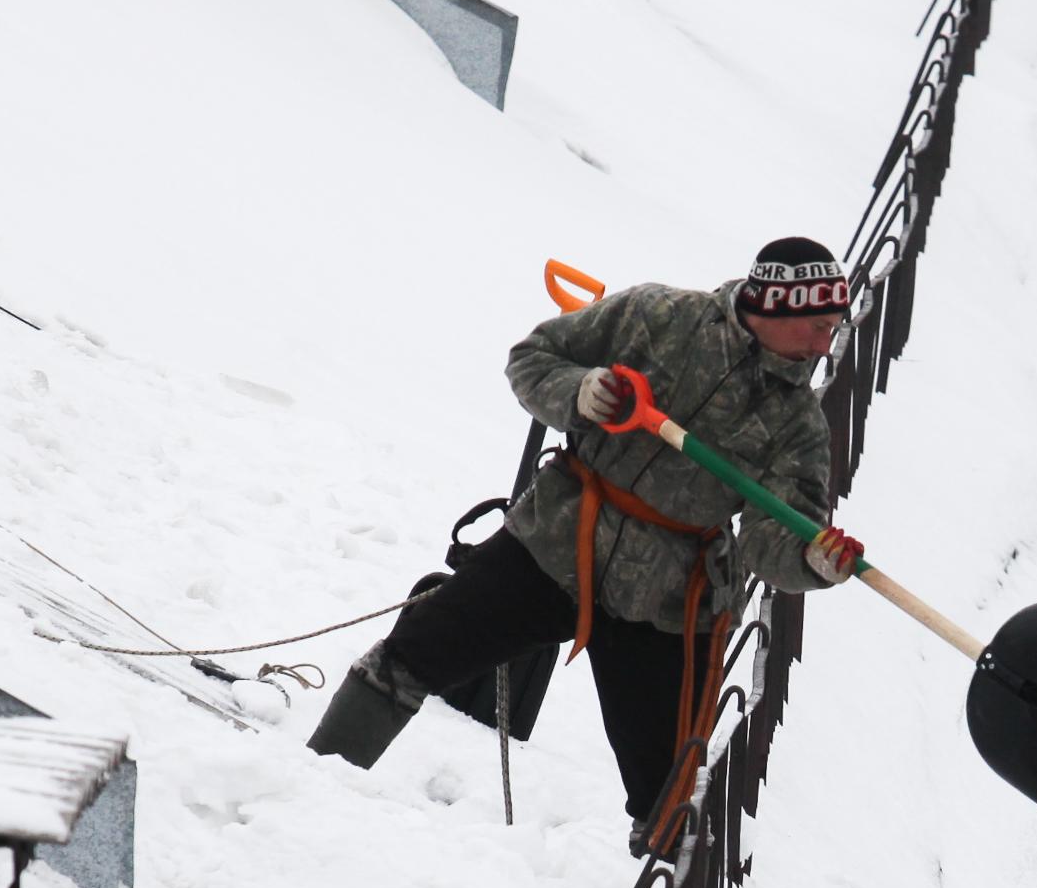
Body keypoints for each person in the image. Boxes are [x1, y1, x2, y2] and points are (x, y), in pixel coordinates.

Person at [307, 237, 867, 848]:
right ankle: (307, 784)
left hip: (668, 602)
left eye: (833, 327)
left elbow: (772, 539)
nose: (824, 343)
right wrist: (579, 392)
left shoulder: (799, 424)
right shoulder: (658, 317)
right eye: (817, 325)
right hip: (555, 543)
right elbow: (534, 357)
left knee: (670, 789)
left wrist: (810, 559)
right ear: (773, 308)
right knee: (413, 651)